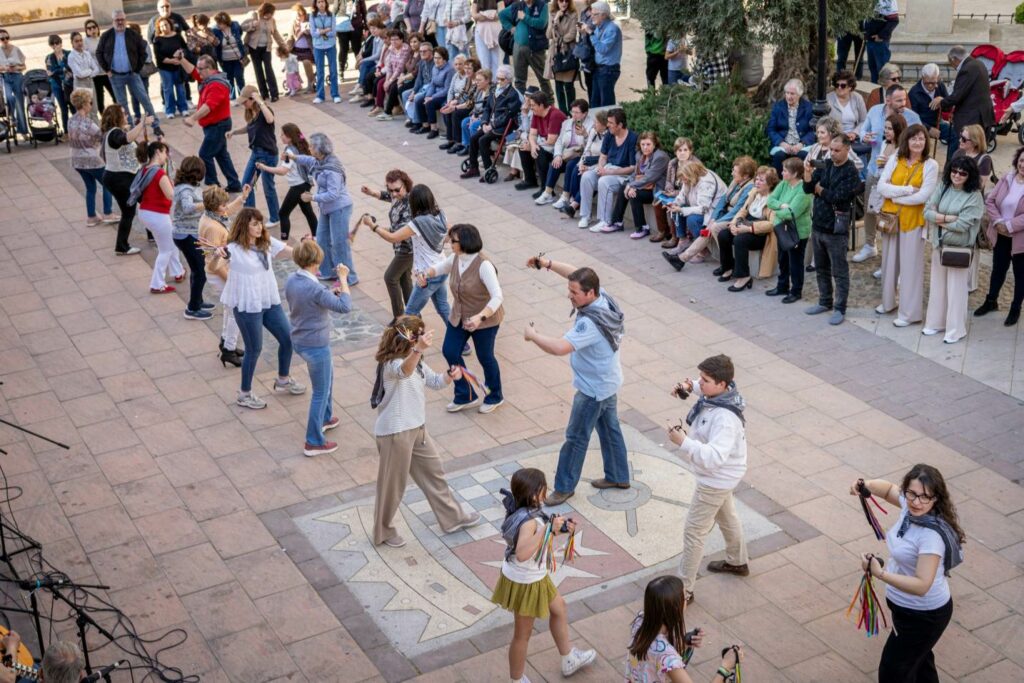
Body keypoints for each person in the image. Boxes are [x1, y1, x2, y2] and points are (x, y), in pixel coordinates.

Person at [371, 315, 483, 547]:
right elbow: (403, 371)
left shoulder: (417, 361)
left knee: (434, 473)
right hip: (395, 434)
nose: (423, 338)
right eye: (419, 334)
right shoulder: (390, 364)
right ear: (409, 338)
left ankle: (452, 518)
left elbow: (434, 381)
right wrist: (418, 350)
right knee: (392, 486)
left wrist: (449, 376)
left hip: (417, 430)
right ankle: (383, 532)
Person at [522, 259, 628, 505]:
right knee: (610, 429)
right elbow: (574, 273)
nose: (569, 295)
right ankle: (618, 476)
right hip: (608, 381)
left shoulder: (590, 323)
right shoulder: (604, 299)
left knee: (576, 438)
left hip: (592, 390)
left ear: (590, 293)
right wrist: (547, 263)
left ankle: (564, 487)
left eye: (574, 292)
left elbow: (560, 347)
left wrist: (533, 335)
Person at [849, 465, 964, 683]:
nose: (917, 502)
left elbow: (922, 585)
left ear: (936, 498)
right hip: (908, 611)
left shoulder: (930, 537)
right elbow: (887, 490)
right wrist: (865, 485)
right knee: (919, 664)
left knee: (893, 672)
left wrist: (880, 573)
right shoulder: (910, 508)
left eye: (925, 497)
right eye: (912, 493)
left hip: (923, 616)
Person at [493, 468, 597, 683]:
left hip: (534, 577)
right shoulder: (530, 521)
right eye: (543, 488)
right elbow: (522, 553)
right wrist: (546, 528)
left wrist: (558, 529)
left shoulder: (524, 510)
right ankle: (517, 679)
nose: (546, 491)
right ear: (534, 494)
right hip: (527, 583)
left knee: (559, 608)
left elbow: (536, 539)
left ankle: (568, 658)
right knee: (522, 635)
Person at [666, 354, 748, 604]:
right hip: (725, 477)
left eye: (705, 380)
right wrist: (688, 385)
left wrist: (683, 442)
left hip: (715, 480)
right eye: (699, 378)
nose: (700, 383)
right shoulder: (723, 394)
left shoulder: (725, 420)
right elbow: (700, 386)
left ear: (722, 384)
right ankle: (737, 561)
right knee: (727, 516)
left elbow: (714, 458)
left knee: (694, 532)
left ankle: (684, 590)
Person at [208, 207, 306, 409]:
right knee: (254, 349)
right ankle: (244, 394)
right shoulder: (233, 249)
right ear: (245, 226)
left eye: (260, 222)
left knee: (287, 339)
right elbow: (213, 267)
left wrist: (306, 247)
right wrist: (217, 255)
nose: (259, 227)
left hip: (268, 300)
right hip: (247, 305)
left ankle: (283, 379)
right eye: (254, 224)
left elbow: (291, 252)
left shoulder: (266, 243)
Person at [416, 223, 505, 413]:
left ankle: (495, 395)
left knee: (485, 357)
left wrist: (480, 317)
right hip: (459, 315)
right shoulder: (456, 258)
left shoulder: (484, 265)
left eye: (453, 240)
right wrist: (425, 274)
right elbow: (439, 268)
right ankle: (465, 393)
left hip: (485, 321)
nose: (449, 243)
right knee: (450, 351)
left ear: (465, 243)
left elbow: (498, 296)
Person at [285, 240, 353, 456]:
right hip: (316, 344)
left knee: (327, 379)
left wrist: (329, 294)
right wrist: (343, 279)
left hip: (300, 338)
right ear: (316, 262)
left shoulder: (292, 279)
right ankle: (313, 441)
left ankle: (326, 418)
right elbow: (345, 306)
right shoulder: (315, 288)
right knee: (320, 392)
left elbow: (311, 300)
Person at [877, 123, 940, 327]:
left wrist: (895, 197)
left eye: (921, 138)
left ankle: (909, 313)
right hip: (891, 219)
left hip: (913, 222)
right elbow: (881, 186)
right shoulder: (896, 157)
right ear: (907, 140)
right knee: (888, 264)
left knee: (911, 268)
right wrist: (906, 191)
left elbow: (923, 195)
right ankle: (888, 302)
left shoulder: (931, 165)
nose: (918, 142)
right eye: (914, 138)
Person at [627, 576, 744, 683]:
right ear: (676, 608)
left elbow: (655, 651)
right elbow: (664, 656)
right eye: (685, 598)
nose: (686, 601)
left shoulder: (640, 620)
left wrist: (684, 643)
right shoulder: (668, 659)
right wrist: (725, 666)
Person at [922, 156, 984, 344]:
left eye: (962, 173)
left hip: (959, 248)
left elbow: (963, 225)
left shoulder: (974, 196)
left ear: (969, 175)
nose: (957, 175)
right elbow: (926, 212)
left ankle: (955, 329)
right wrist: (949, 218)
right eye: (954, 171)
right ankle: (936, 323)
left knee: (956, 290)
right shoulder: (943, 186)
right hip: (939, 244)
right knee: (938, 286)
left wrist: (938, 218)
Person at [367, 184, 450, 321]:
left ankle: (407, 335)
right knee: (443, 307)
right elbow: (448, 235)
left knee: (410, 313)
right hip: (441, 267)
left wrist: (373, 226)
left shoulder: (418, 223)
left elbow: (393, 237)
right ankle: (458, 335)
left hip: (427, 274)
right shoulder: (440, 214)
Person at [804, 134, 862, 326]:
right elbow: (808, 188)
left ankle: (840, 308)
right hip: (818, 224)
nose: (833, 153)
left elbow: (838, 197)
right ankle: (824, 301)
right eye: (831, 150)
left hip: (836, 229)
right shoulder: (826, 164)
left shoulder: (851, 171)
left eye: (837, 150)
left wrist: (820, 190)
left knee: (839, 271)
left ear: (847, 149)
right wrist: (808, 176)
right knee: (821, 268)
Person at [289, 133, 359, 286]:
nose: (309, 148)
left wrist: (312, 197)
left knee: (339, 244)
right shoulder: (319, 161)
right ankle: (328, 271)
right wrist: (293, 157)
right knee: (321, 239)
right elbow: (307, 160)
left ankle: (349, 277)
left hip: (339, 208)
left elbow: (333, 194)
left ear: (319, 149)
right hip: (327, 208)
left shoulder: (332, 168)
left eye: (311, 146)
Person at [173, 52, 243, 193]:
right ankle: (234, 184)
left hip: (218, 126)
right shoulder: (209, 78)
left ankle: (213, 186)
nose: (198, 72)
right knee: (221, 155)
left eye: (201, 69)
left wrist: (193, 118)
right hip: (215, 125)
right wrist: (181, 59)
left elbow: (208, 106)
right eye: (198, 68)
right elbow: (193, 72)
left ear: (210, 68)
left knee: (205, 154)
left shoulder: (216, 85)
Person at [199, 185, 250, 366]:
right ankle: (228, 349)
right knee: (236, 310)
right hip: (219, 272)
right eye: (222, 204)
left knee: (230, 309)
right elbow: (214, 260)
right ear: (214, 206)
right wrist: (231, 281)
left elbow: (228, 210)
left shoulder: (210, 216)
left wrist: (242, 197)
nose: (225, 207)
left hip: (220, 270)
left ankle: (226, 342)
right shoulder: (213, 227)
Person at [669, 156, 751, 268]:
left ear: (745, 175)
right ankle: (681, 258)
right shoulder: (736, 181)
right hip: (723, 212)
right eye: (733, 170)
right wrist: (713, 218)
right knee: (709, 229)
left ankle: (725, 264)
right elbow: (723, 200)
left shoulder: (749, 187)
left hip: (735, 217)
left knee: (710, 228)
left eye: (735, 171)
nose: (732, 173)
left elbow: (737, 210)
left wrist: (716, 221)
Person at [977, 146, 1024, 326]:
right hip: (1001, 235)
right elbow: (990, 200)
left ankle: (1015, 308)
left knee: (1020, 275)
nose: (1023, 165)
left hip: (1020, 239)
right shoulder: (1007, 178)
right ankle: (991, 301)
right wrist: (998, 222)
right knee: (998, 270)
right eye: (1021, 160)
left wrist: (1009, 226)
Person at [97, 10, 163, 137]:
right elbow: (99, 53)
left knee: (144, 99)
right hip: (115, 76)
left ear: (125, 20)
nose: (120, 22)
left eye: (122, 19)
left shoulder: (133, 34)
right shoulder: (106, 35)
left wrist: (137, 69)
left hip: (132, 75)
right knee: (122, 104)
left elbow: (143, 52)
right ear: (113, 21)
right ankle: (130, 129)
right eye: (117, 20)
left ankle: (156, 125)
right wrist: (107, 70)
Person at [361, 170, 415, 321]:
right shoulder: (397, 196)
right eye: (390, 189)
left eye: (397, 190)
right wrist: (372, 193)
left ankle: (400, 318)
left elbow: (396, 235)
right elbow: (387, 196)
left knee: (390, 277)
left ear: (406, 185)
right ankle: (414, 314)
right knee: (404, 279)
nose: (394, 194)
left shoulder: (409, 206)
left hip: (408, 249)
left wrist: (373, 226)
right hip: (400, 247)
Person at [717, 166, 779, 292]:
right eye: (757, 179)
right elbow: (743, 211)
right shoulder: (754, 193)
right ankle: (728, 267)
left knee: (740, 240)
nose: (757, 182)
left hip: (762, 233)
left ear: (770, 183)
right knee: (723, 235)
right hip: (746, 224)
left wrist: (749, 229)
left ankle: (744, 276)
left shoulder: (774, 199)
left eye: (761, 180)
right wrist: (733, 224)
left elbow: (771, 224)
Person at [135, 141, 186, 294]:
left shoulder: (145, 169)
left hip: (147, 212)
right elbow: (170, 195)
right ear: (157, 152)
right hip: (157, 215)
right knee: (166, 249)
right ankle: (157, 284)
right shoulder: (159, 173)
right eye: (164, 152)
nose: (166, 156)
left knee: (169, 243)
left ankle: (178, 271)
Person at [857, 113, 907, 265]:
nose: (886, 131)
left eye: (890, 128)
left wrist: (888, 163)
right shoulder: (885, 143)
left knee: (888, 218)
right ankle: (870, 245)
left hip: (891, 186)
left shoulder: (903, 148)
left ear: (898, 129)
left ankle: (888, 260)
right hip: (876, 179)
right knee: (870, 210)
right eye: (885, 128)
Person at [100, 105, 150, 256]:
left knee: (147, 202)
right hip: (119, 179)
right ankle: (121, 247)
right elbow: (126, 139)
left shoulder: (116, 132)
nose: (126, 115)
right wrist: (142, 123)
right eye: (123, 113)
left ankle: (152, 234)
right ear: (116, 116)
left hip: (125, 177)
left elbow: (129, 145)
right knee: (128, 212)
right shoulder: (114, 133)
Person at [229, 85, 281, 229]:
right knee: (246, 184)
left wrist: (260, 101)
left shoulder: (265, 110)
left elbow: (270, 119)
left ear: (253, 99)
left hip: (268, 155)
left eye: (245, 101)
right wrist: (234, 132)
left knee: (268, 187)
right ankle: (251, 217)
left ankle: (275, 217)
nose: (243, 105)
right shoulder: (250, 112)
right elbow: (250, 127)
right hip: (256, 154)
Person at [578, 107, 637, 232]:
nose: (607, 125)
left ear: (620, 125)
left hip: (622, 175)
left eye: (610, 123)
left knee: (604, 182)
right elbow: (603, 156)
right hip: (607, 168)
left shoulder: (632, 138)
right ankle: (585, 216)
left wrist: (609, 172)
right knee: (587, 176)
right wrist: (600, 168)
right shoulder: (610, 135)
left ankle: (605, 220)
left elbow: (632, 168)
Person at [170, 155, 215, 320]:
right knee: (200, 271)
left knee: (197, 269)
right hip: (186, 234)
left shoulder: (192, 186)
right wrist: (208, 204)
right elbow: (188, 207)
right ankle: (192, 308)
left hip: (191, 233)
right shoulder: (185, 190)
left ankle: (198, 300)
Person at [256, 123, 318, 240]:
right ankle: (317, 236)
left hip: (298, 186)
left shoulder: (290, 150)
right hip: (305, 184)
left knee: (283, 213)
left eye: (283, 134)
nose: (280, 136)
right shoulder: (298, 146)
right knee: (308, 211)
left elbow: (282, 171)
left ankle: (284, 242)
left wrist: (264, 167)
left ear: (290, 136)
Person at [933, 45, 996, 158]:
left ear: (953, 59)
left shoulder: (967, 69)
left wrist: (942, 102)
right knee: (978, 150)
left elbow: (957, 95)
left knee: (965, 151)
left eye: (950, 62)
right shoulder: (978, 63)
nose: (951, 65)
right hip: (983, 114)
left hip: (972, 117)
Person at [462, 65, 522, 180]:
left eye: (502, 79)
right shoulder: (494, 90)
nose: (499, 81)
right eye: (497, 78)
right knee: (474, 138)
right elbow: (487, 108)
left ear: (509, 80)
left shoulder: (512, 95)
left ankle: (488, 168)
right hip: (490, 124)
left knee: (482, 140)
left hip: (503, 127)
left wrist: (491, 126)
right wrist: (484, 123)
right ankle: (474, 168)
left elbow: (507, 116)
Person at [607, 131, 670, 239]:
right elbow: (634, 174)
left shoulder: (660, 157)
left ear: (655, 144)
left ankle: (642, 228)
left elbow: (650, 177)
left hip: (656, 191)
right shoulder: (640, 155)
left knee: (634, 194)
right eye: (643, 144)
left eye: (648, 144)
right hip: (644, 186)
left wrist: (632, 186)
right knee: (624, 188)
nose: (645, 147)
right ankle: (617, 222)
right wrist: (629, 184)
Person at [68, 89, 117, 227]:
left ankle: (91, 217)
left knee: (90, 188)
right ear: (84, 104)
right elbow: (102, 137)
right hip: (92, 160)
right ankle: (108, 213)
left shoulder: (70, 121)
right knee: (107, 184)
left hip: (76, 160)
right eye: (90, 103)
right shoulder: (88, 123)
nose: (91, 105)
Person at [766, 157, 812, 304]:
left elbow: (791, 213)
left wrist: (775, 211)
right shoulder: (783, 184)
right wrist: (782, 205)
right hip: (782, 229)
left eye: (785, 171)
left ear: (795, 173)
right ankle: (782, 286)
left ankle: (796, 291)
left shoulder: (804, 190)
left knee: (795, 263)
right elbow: (770, 200)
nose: (782, 173)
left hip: (797, 232)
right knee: (783, 259)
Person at [536, 98, 591, 206]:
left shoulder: (591, 125)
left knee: (570, 165)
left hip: (580, 155)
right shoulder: (567, 123)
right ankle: (548, 193)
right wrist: (558, 155)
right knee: (555, 163)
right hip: (567, 153)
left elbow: (590, 147)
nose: (574, 115)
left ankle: (565, 196)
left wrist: (585, 135)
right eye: (572, 111)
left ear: (584, 113)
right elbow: (559, 141)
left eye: (577, 112)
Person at [516, 90, 568, 197]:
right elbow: (532, 134)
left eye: (533, 105)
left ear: (541, 105)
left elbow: (551, 141)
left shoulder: (555, 115)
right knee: (523, 147)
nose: (531, 108)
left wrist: (534, 146)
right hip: (546, 145)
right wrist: (532, 145)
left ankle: (546, 189)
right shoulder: (537, 113)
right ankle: (530, 180)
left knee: (539, 152)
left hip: (559, 150)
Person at [558, 109, 607, 219]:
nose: (594, 124)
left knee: (588, 177)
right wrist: (581, 163)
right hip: (589, 160)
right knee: (576, 169)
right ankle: (574, 203)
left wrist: (589, 168)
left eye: (596, 122)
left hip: (600, 163)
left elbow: (605, 158)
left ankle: (574, 205)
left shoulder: (608, 136)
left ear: (604, 124)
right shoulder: (594, 132)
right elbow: (587, 149)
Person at [500, 0, 552, 98]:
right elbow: (502, 15)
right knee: (519, 81)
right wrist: (510, 28)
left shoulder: (542, 5)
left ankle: (549, 103)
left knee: (543, 78)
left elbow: (542, 23)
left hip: (536, 49)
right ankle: (521, 103)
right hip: (518, 48)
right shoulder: (517, 6)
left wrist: (525, 17)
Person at [649, 137, 695, 245]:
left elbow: (690, 189)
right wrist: (669, 190)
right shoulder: (673, 163)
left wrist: (673, 194)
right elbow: (668, 181)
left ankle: (675, 237)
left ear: (690, 151)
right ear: (675, 152)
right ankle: (663, 231)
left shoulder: (694, 165)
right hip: (673, 192)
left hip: (688, 196)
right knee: (658, 200)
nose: (682, 153)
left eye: (685, 150)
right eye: (679, 150)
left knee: (673, 204)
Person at [766, 78, 815, 173]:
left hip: (802, 145)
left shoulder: (809, 107)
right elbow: (771, 129)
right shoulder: (778, 107)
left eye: (792, 94)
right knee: (779, 156)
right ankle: (779, 181)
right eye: (787, 93)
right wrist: (781, 143)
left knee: (802, 156)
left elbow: (813, 130)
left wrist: (802, 143)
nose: (789, 96)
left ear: (799, 94)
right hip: (783, 145)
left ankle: (801, 181)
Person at [243, 3, 287, 102]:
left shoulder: (272, 20)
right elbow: (242, 27)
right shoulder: (254, 16)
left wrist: (282, 44)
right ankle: (264, 94)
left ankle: (274, 94)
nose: (270, 15)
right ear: (264, 11)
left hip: (266, 48)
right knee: (258, 71)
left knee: (269, 70)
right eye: (269, 13)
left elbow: (275, 33)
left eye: (272, 13)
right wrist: (252, 24)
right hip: (254, 48)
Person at [583, 1, 620, 107]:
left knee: (606, 104)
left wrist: (590, 33)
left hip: (608, 70)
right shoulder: (599, 27)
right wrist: (584, 33)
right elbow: (593, 45)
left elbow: (602, 49)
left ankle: (609, 118)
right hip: (598, 68)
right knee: (595, 102)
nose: (591, 17)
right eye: (591, 14)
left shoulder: (612, 29)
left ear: (603, 15)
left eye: (595, 14)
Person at [412, 46, 455, 138]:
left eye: (439, 58)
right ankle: (426, 126)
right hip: (435, 93)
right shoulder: (435, 68)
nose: (436, 60)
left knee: (430, 103)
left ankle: (435, 129)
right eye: (435, 58)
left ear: (444, 58)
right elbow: (432, 84)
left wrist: (432, 97)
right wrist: (428, 96)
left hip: (445, 96)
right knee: (420, 100)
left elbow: (447, 89)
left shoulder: (449, 70)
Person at [152, 18, 189, 119]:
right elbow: (158, 56)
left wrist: (180, 55)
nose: (164, 27)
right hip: (165, 68)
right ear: (159, 28)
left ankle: (183, 108)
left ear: (170, 25)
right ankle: (170, 110)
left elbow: (184, 47)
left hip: (179, 66)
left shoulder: (177, 36)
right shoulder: (157, 39)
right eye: (162, 26)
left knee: (180, 88)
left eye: (166, 25)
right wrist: (171, 60)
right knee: (168, 89)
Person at [546, 0, 579, 113]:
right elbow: (548, 34)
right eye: (561, 1)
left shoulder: (573, 14)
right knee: (558, 85)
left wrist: (559, 40)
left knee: (569, 85)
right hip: (556, 53)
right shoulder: (552, 14)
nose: (564, 3)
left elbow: (572, 34)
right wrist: (555, 19)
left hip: (568, 52)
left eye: (566, 1)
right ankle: (562, 113)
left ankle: (573, 112)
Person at [908, 63, 950, 147]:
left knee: (955, 134)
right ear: (922, 78)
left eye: (933, 83)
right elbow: (913, 119)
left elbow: (948, 108)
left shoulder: (940, 86)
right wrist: (928, 129)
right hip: (921, 125)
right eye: (927, 83)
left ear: (938, 78)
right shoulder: (914, 93)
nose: (930, 85)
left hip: (938, 123)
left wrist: (943, 100)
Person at [311, 0, 341, 104]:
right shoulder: (313, 16)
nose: (321, 4)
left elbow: (333, 32)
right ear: (316, 4)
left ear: (326, 3)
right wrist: (326, 30)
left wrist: (320, 31)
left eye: (322, 1)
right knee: (320, 71)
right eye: (319, 2)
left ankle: (335, 94)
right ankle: (320, 95)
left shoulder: (331, 14)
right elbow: (313, 33)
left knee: (333, 70)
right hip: (318, 46)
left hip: (330, 45)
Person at [863, 1, 900, 84]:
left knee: (882, 70)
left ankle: (883, 90)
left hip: (880, 42)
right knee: (873, 68)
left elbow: (894, 20)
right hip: (870, 40)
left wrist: (881, 35)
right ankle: (875, 89)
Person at [0, 30, 28, 138]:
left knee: (20, 103)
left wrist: (16, 67)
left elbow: (24, 66)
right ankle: (13, 118)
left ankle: (23, 131)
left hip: (17, 76)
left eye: (7, 37)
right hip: (5, 77)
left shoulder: (16, 49)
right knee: (8, 97)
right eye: (2, 38)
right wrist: (4, 68)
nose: (5, 40)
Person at [212, 12, 247, 98]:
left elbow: (240, 34)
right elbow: (216, 44)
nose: (218, 25)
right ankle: (232, 98)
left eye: (220, 23)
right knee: (229, 79)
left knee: (239, 77)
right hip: (225, 60)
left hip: (238, 58)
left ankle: (243, 97)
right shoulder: (215, 31)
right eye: (217, 23)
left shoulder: (235, 26)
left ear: (225, 22)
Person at [84, 19, 116, 112]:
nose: (92, 30)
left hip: (107, 72)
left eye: (94, 27)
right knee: (99, 99)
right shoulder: (85, 41)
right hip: (96, 75)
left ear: (97, 28)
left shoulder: (102, 39)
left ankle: (117, 115)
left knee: (115, 95)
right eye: (89, 28)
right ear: (86, 31)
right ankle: (103, 116)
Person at [826, 69, 867, 140]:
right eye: (837, 85)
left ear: (850, 87)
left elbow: (864, 120)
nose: (839, 87)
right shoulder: (828, 98)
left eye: (843, 86)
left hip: (853, 137)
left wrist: (854, 133)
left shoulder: (857, 98)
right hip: (833, 137)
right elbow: (823, 122)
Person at [44, 35, 73, 133]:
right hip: (57, 85)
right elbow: (50, 72)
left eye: (57, 43)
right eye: (52, 44)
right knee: (63, 108)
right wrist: (62, 69)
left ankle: (77, 129)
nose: (55, 45)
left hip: (70, 84)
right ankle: (66, 131)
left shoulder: (69, 54)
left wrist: (57, 70)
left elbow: (70, 68)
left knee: (73, 106)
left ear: (61, 43)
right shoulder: (49, 57)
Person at [334, 0, 368, 80]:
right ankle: (341, 70)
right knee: (343, 49)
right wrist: (332, 26)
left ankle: (361, 70)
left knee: (357, 49)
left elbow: (364, 11)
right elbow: (334, 10)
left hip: (356, 26)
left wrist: (366, 26)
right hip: (343, 27)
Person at [68, 31, 102, 105]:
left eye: (81, 40)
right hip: (80, 83)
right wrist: (90, 70)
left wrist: (89, 74)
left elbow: (96, 69)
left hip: (90, 81)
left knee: (94, 107)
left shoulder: (87, 53)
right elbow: (79, 74)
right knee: (84, 108)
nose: (79, 43)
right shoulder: (71, 57)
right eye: (76, 41)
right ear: (72, 43)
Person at [472, 0, 503, 79]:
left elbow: (501, 14)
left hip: (495, 32)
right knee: (483, 61)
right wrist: (492, 14)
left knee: (496, 61)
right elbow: (474, 15)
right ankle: (486, 82)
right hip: (481, 32)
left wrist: (483, 15)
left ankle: (495, 82)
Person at [290, 3, 316, 94]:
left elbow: (316, 34)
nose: (298, 18)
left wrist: (309, 31)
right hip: (296, 49)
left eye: (300, 16)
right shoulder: (294, 23)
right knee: (290, 61)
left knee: (306, 62)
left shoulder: (310, 21)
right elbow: (292, 37)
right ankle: (295, 84)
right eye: (296, 17)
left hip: (308, 50)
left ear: (304, 15)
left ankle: (311, 84)